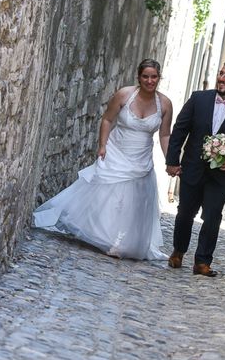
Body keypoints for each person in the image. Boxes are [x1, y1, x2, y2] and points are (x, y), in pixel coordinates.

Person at [33, 59, 173, 260]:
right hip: (117, 150)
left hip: (141, 158)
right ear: (139, 77)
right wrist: (102, 145)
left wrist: (171, 161)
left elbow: (165, 135)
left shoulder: (165, 104)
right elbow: (107, 119)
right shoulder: (124, 95)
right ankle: (103, 236)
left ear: (159, 77)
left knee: (132, 202)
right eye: (145, 76)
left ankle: (120, 241)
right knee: (110, 197)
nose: (150, 81)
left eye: (154, 77)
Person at [165, 61, 225, 276]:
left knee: (213, 216)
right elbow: (179, 130)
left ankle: (202, 262)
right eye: (221, 73)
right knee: (185, 212)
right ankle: (178, 251)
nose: (222, 78)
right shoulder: (199, 99)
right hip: (192, 168)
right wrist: (172, 160)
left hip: (221, 176)